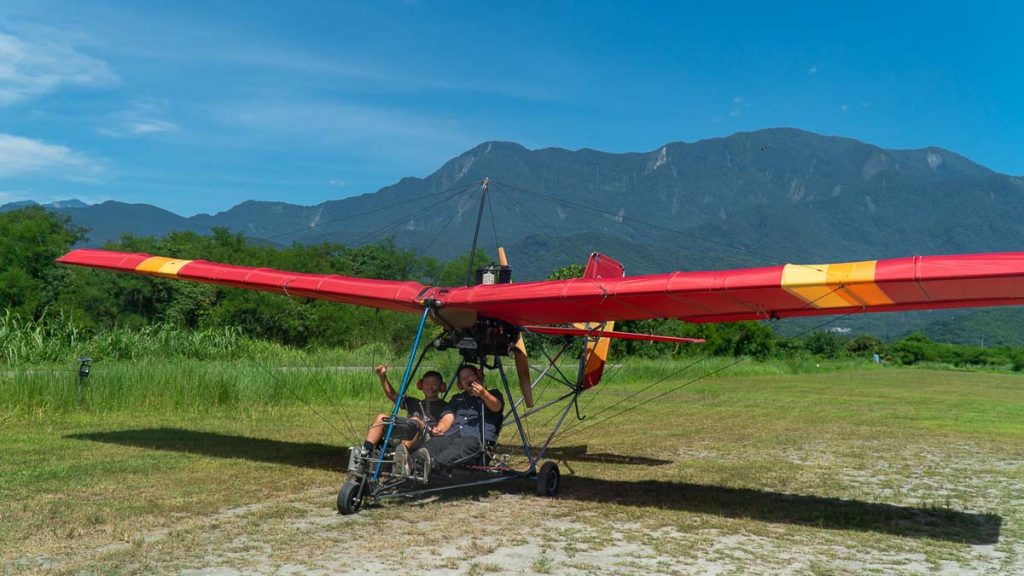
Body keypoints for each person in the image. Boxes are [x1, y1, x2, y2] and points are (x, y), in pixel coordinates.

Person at [360, 365, 448, 476]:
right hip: (405, 433)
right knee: (381, 417)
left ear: (441, 387)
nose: (430, 387)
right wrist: (383, 377)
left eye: (434, 384)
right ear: (420, 385)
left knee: (415, 420)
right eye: (427, 384)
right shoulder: (412, 402)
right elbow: (392, 395)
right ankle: (365, 452)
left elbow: (447, 422)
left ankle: (401, 454)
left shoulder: (446, 406)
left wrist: (438, 429)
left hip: (426, 436)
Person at [425, 364, 504, 472]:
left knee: (458, 448)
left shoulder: (493, 394)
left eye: (470, 376)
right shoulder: (457, 398)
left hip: (475, 438)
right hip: (453, 434)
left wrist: (483, 394)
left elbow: (496, 407)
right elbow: (448, 416)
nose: (468, 380)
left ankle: (431, 464)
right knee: (434, 443)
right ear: (460, 385)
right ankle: (408, 462)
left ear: (478, 376)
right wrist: (440, 427)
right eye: (463, 378)